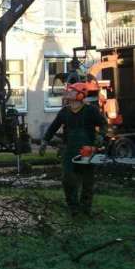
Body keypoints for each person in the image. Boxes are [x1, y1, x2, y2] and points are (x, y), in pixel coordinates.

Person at [39, 83, 107, 216]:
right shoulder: (64, 112)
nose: (68, 94)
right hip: (69, 150)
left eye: (71, 91)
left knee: (87, 182)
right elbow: (53, 127)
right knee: (68, 180)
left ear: (80, 94)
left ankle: (85, 209)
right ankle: (73, 208)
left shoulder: (91, 111)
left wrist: (100, 138)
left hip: (87, 151)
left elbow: (104, 125)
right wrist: (44, 141)